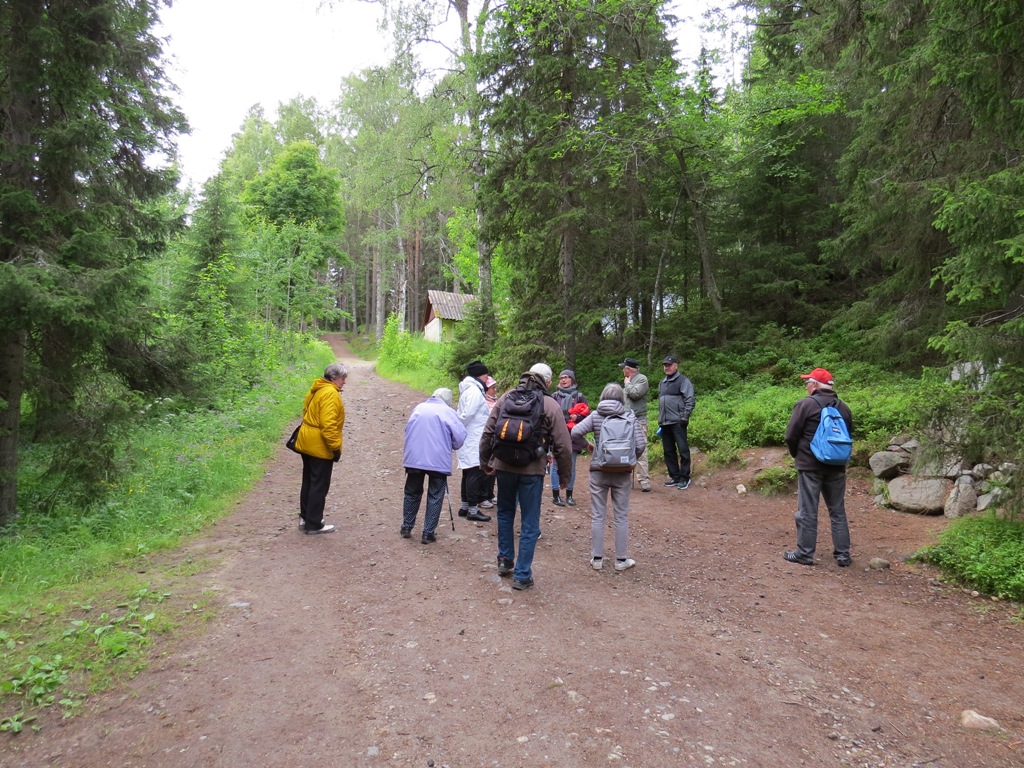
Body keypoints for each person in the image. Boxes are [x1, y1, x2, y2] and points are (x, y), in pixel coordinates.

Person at [480, 363, 572, 591]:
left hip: (504, 466)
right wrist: (565, 476)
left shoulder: (506, 397)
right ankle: (522, 575)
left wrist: (485, 461)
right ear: (547, 382)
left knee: (504, 513)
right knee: (530, 521)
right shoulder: (550, 404)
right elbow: (563, 446)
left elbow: (488, 432)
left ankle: (504, 560)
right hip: (532, 470)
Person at [783, 367, 854, 567]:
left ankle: (805, 554)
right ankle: (843, 555)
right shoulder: (844, 408)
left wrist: (798, 455)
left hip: (809, 466)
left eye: (807, 382)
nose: (806, 386)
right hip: (837, 466)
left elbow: (790, 435)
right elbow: (848, 434)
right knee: (837, 511)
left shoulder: (806, 404)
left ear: (814, 385)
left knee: (808, 511)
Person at [572, 383, 646, 572]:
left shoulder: (596, 415)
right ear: (622, 398)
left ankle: (597, 559)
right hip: (622, 474)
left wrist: (588, 446)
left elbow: (575, 432)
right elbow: (640, 444)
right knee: (621, 516)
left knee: (598, 515)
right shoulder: (629, 416)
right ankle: (621, 560)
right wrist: (629, 461)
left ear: (603, 397)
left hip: (599, 470)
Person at [401, 388, 467, 544]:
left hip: (414, 458)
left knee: (412, 492)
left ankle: (406, 526)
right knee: (435, 495)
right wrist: (451, 444)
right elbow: (460, 437)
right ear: (448, 400)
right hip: (438, 461)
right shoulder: (448, 412)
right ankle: (428, 533)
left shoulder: (419, 408)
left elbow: (408, 429)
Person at [294, 362, 348, 534]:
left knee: (309, 481)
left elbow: (306, 410)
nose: (344, 382)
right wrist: (335, 448)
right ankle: (314, 524)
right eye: (342, 378)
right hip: (319, 446)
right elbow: (328, 425)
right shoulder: (330, 393)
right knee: (319, 485)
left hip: (307, 442)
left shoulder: (317, 388)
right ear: (334, 378)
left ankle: (305, 518)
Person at [456, 359, 493, 522]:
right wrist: (458, 427)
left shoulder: (470, 390)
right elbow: (467, 415)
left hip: (470, 437)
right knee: (474, 473)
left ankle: (465, 507)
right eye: (486, 376)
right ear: (479, 376)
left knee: (468, 473)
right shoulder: (474, 391)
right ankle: (472, 510)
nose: (487, 379)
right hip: (474, 438)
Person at [550, 370, 589, 507]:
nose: (563, 380)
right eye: (561, 378)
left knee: (571, 465)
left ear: (572, 379)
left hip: (574, 436)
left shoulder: (579, 397)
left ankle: (569, 495)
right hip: (558, 435)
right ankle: (555, 496)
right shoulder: (554, 397)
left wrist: (577, 418)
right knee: (555, 466)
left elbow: (587, 417)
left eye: (566, 377)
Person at [658, 355, 696, 489]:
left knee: (683, 450)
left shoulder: (683, 380)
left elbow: (690, 399)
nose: (667, 367)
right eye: (665, 365)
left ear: (676, 365)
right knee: (668, 451)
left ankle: (685, 478)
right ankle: (675, 476)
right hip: (665, 422)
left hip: (678, 421)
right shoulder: (662, 383)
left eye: (669, 365)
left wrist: (685, 416)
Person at [619, 357, 652, 492]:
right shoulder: (628, 381)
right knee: (625, 449)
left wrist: (627, 384)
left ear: (628, 369)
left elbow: (635, 394)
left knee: (641, 449)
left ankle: (644, 480)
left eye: (624, 367)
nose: (622, 370)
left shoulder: (642, 379)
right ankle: (624, 479)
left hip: (639, 420)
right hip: (625, 420)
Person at [480, 376, 499, 509]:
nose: (495, 390)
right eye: (492, 388)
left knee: (494, 467)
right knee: (485, 467)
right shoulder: (483, 402)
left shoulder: (496, 401)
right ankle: (482, 496)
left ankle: (490, 494)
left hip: (495, 438)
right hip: (486, 438)